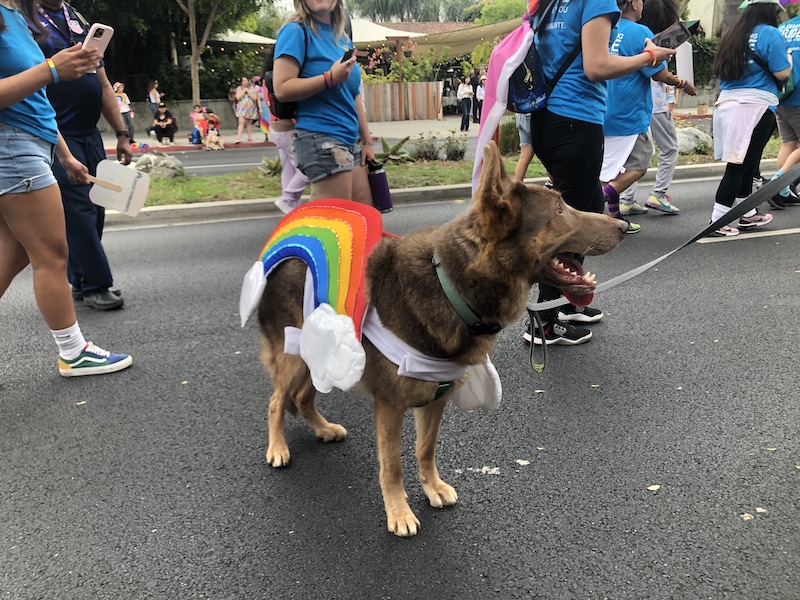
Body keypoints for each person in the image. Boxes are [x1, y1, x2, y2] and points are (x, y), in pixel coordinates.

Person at [523, 0, 675, 346]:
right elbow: (597, 66)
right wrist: (649, 57)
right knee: (569, 227)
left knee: (590, 206)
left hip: (548, 121)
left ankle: (567, 301)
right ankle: (544, 321)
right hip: (575, 120)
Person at [0, 0, 132, 376]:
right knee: (52, 254)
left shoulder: (16, 16)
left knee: (15, 253)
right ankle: (73, 352)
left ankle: (73, 351)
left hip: (33, 143)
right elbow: (39, 81)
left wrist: (64, 154)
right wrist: (51, 69)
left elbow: (35, 100)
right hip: (12, 146)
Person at [28, 0, 131, 311]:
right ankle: (97, 285)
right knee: (79, 211)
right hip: (60, 134)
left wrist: (122, 133)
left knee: (96, 210)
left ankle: (81, 278)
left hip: (90, 134)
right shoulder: (26, 19)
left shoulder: (75, 17)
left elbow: (103, 84)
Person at [601, 0, 697, 233]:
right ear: (634, 4)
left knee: (609, 169)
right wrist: (683, 83)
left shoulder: (605, 29)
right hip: (630, 114)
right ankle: (599, 199)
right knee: (639, 165)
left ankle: (615, 219)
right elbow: (659, 74)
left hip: (603, 111)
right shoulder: (641, 32)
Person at [272, 0, 375, 204]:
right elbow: (282, 88)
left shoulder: (342, 38)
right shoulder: (295, 31)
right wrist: (329, 78)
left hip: (349, 141)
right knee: (338, 219)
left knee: (363, 215)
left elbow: (354, 94)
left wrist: (367, 141)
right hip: (320, 137)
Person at [708, 0, 789, 237]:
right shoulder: (771, 34)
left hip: (727, 104)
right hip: (756, 106)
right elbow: (782, 72)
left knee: (748, 163)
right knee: (739, 166)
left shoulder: (733, 34)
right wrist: (790, 61)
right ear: (769, 10)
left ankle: (748, 212)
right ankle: (717, 220)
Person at [771, 6, 800, 206]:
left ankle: (783, 190)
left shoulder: (782, 28)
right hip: (799, 96)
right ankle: (776, 184)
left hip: (781, 94)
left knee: (788, 143)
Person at [234, 76, 259, 143]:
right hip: (242, 107)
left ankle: (250, 137)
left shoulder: (253, 89)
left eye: (245, 80)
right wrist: (243, 91)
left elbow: (255, 98)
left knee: (249, 123)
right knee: (241, 122)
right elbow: (237, 97)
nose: (243, 82)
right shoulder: (239, 88)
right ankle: (238, 137)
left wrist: (248, 91)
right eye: (242, 80)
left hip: (250, 107)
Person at [514, 113, 533, 181]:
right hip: (534, 115)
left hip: (521, 115)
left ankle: (516, 185)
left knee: (524, 157)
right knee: (548, 155)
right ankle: (553, 184)